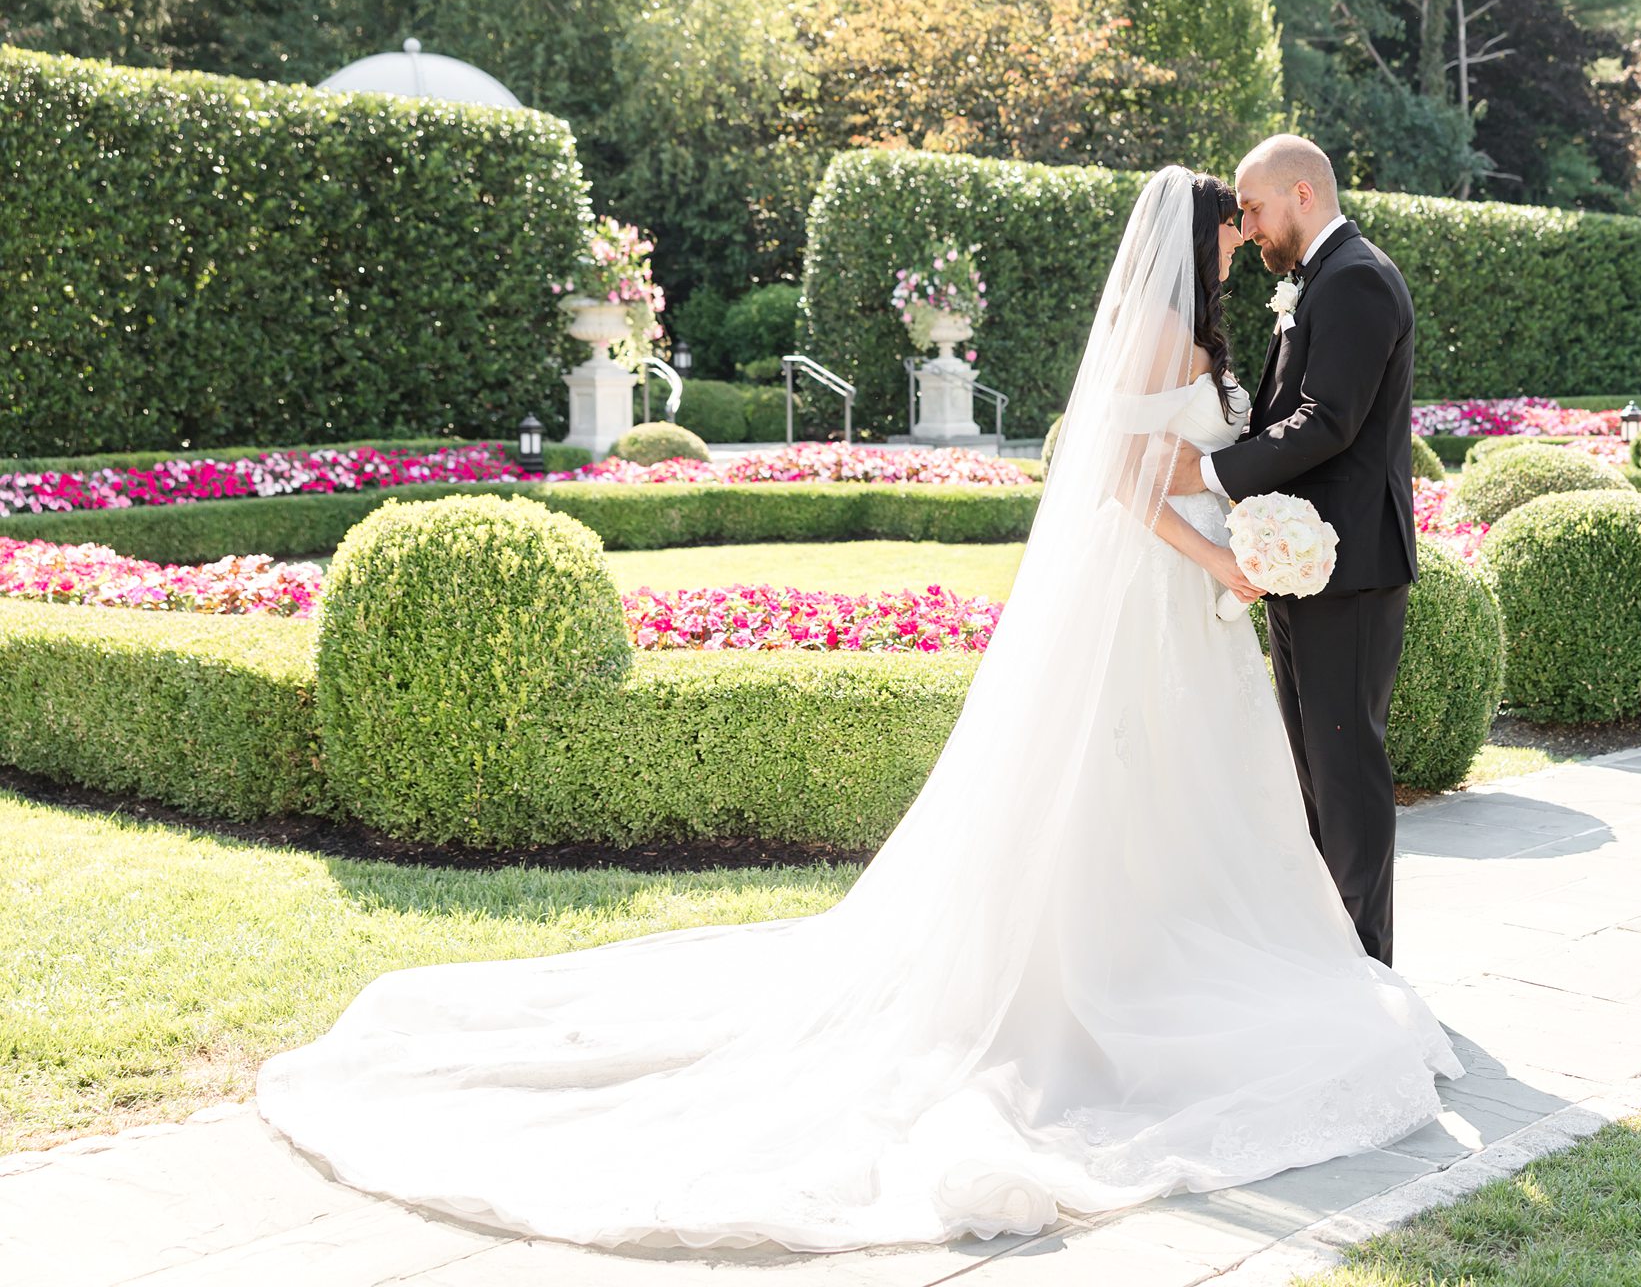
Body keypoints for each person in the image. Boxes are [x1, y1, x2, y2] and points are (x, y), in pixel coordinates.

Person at [254, 166, 1460, 1255]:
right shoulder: (1162, 324)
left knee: (1237, 798)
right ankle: (1219, 979)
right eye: (1231, 224)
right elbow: (1123, 475)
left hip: (1209, 615)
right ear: (1197, 234)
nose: (1244, 241)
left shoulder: (1266, 308)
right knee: (1143, 794)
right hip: (1166, 600)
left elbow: (1290, 436)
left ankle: (1301, 964)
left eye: (1253, 218)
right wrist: (1223, 560)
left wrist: (1232, 540)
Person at [1167, 134, 1418, 966]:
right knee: (1314, 772)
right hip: (1302, 565)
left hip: (1348, 570)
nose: (1250, 227)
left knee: (1346, 775)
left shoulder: (1354, 280)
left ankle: (1366, 964)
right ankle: (1330, 961)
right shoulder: (1317, 281)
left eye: (1257, 208)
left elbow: (1327, 420)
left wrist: (1208, 471)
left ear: (1302, 193)